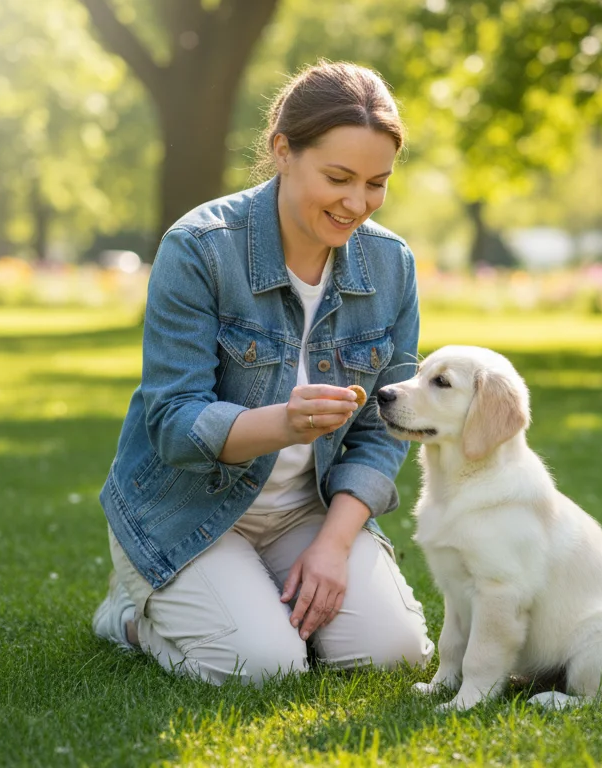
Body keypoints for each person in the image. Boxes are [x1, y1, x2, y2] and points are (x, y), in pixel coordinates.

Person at [90, 61, 433, 685]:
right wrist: (286, 422)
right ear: (282, 151)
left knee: (395, 653)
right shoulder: (198, 248)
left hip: (308, 511)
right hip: (186, 507)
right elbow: (172, 421)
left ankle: (262, 592)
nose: (357, 203)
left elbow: (383, 431)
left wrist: (332, 545)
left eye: (377, 183)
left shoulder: (392, 267)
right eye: (338, 177)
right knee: (266, 667)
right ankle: (130, 613)